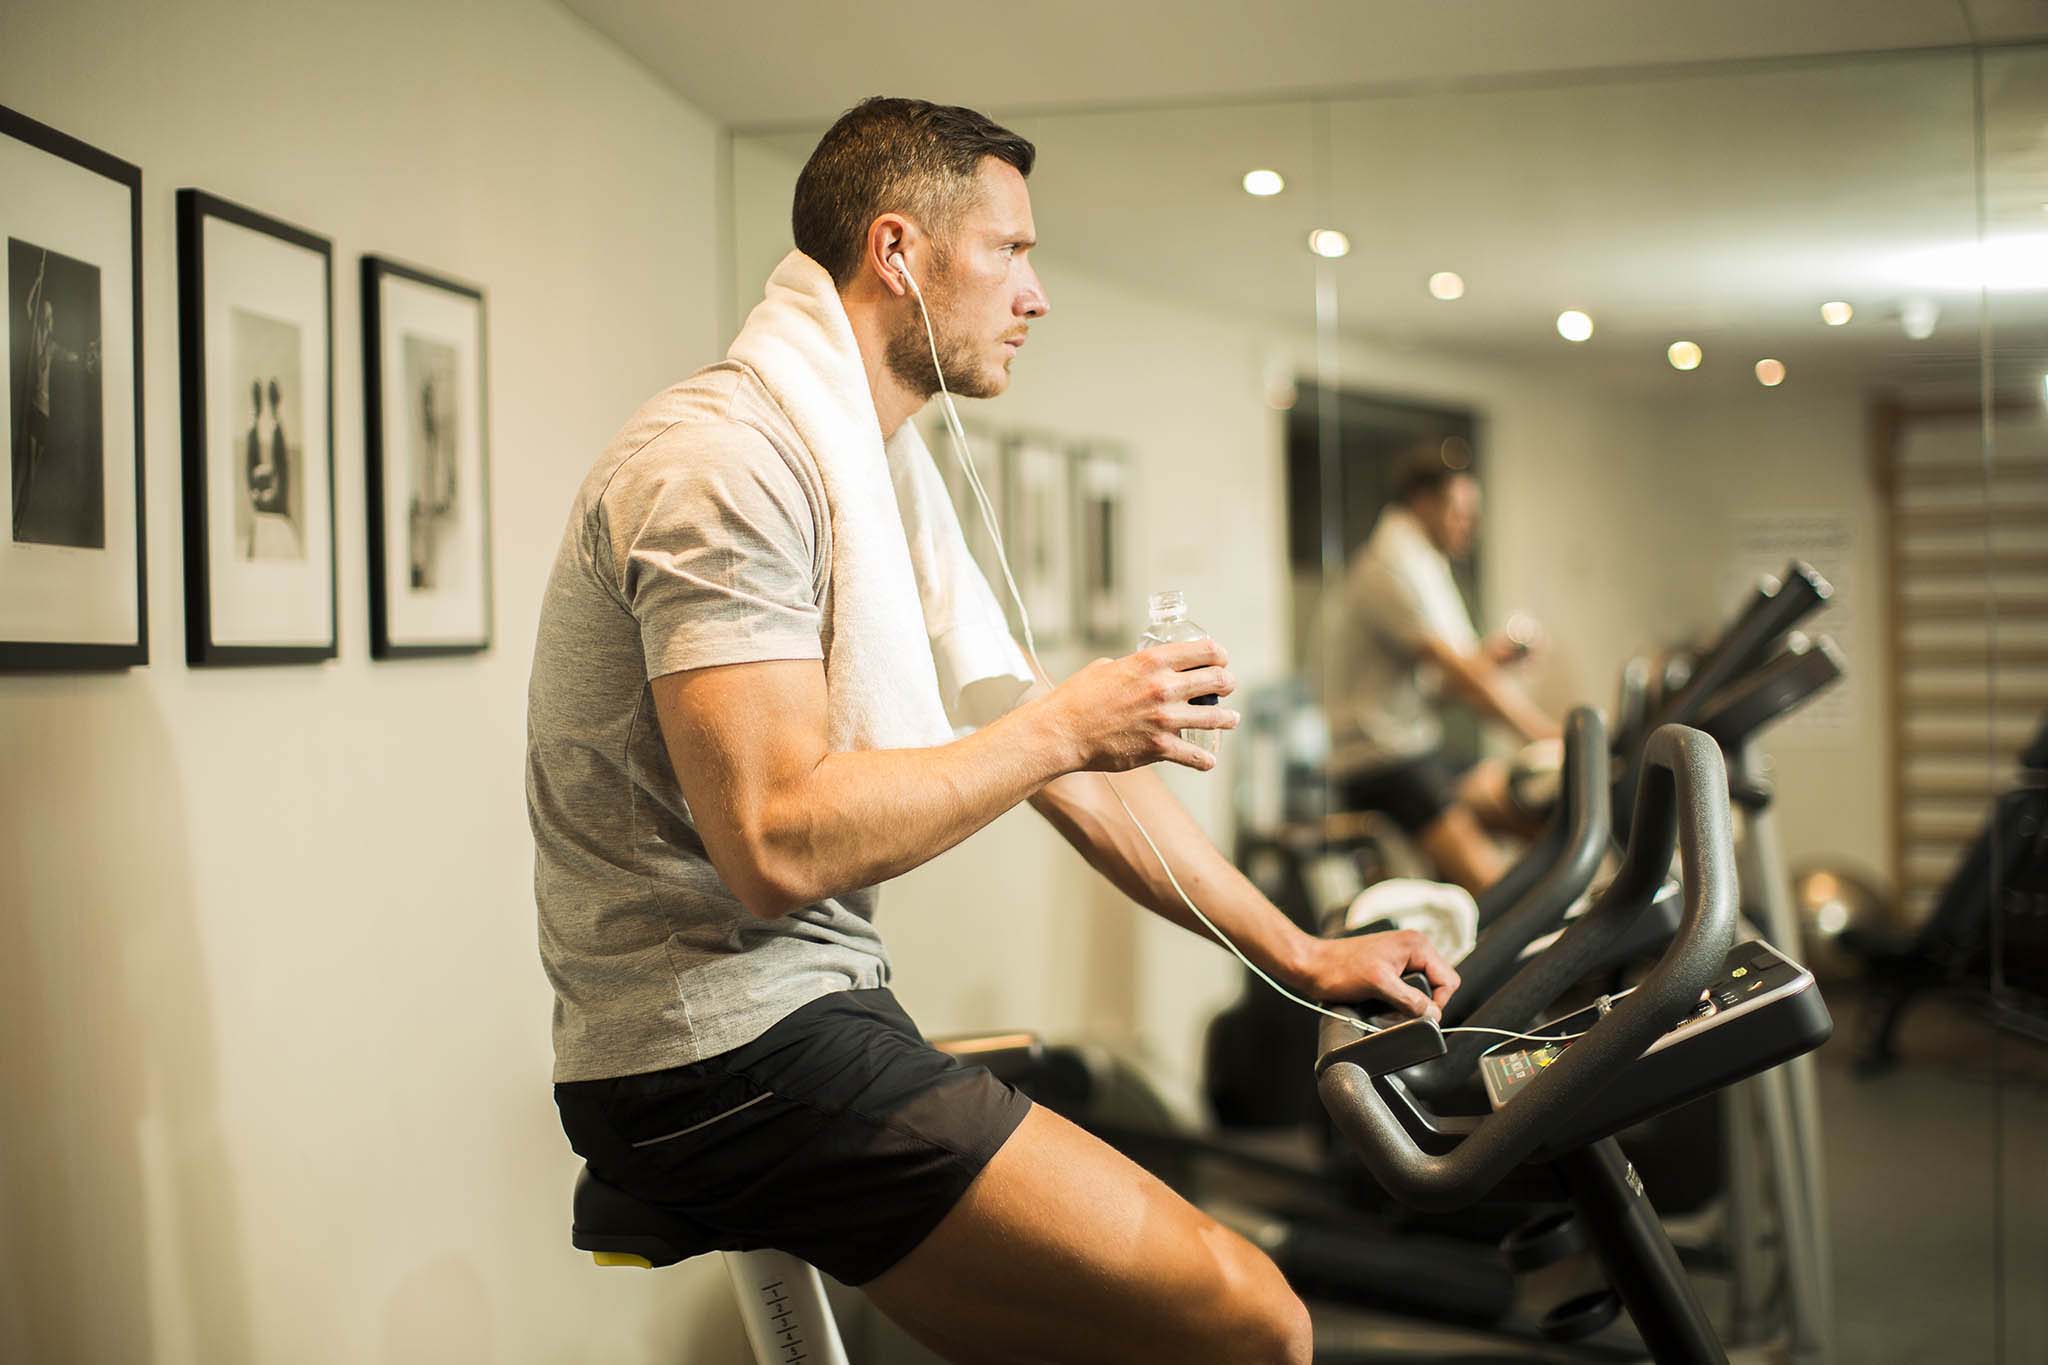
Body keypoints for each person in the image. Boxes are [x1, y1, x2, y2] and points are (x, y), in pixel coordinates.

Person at [526, 97, 1459, 1365]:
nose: (1036, 294)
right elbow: (776, 844)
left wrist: (1299, 952)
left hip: (808, 1012)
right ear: (897, 252)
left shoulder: (875, 468)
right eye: (1009, 251)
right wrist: (1068, 726)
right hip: (713, 1057)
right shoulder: (723, 466)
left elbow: (1051, 749)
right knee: (1251, 1323)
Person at [1327, 446, 1559, 894]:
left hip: (1417, 748)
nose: (1467, 525)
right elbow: (1462, 674)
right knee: (1496, 886)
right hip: (1380, 763)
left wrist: (1494, 659)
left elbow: (1446, 682)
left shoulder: (1425, 562)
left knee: (1533, 816)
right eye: (1458, 511)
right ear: (1423, 502)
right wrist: (1542, 733)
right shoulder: (1392, 564)